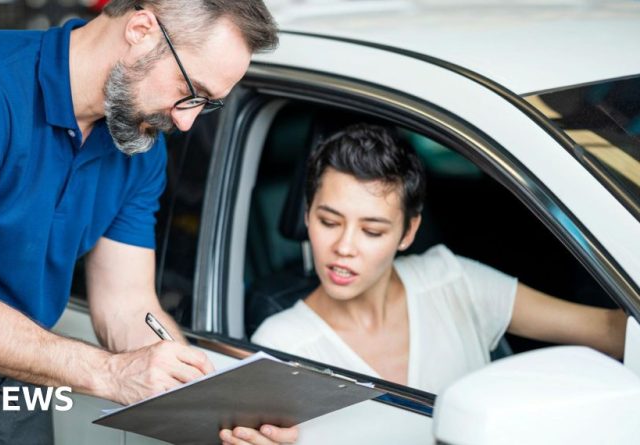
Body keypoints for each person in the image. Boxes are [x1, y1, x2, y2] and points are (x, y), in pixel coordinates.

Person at [0, 1, 297, 444]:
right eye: (189, 91)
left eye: (207, 104)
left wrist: (216, 406)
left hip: (21, 366)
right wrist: (111, 372)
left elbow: (126, 304)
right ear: (141, 31)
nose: (186, 122)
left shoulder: (140, 148)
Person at [252, 123, 627, 394]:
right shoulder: (280, 347)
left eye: (372, 231)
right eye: (329, 221)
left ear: (408, 232)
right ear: (307, 216)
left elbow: (612, 331)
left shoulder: (454, 282)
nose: (345, 247)